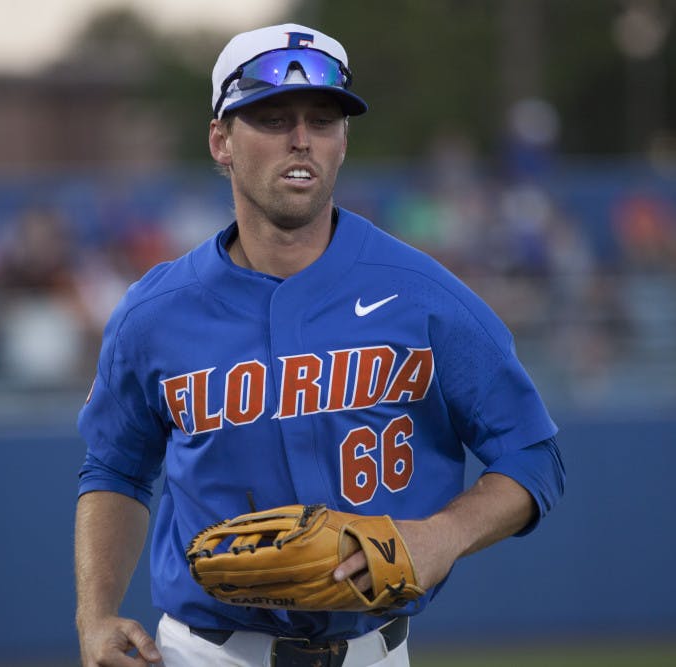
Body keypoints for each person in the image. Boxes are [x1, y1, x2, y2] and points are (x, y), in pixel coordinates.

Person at [75, 23, 565, 667]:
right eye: (272, 118)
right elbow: (115, 469)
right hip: (207, 654)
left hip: (374, 650)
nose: (301, 139)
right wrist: (96, 614)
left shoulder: (423, 295)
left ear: (342, 141)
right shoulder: (155, 313)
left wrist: (441, 536)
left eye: (323, 119)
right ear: (221, 140)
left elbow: (533, 454)